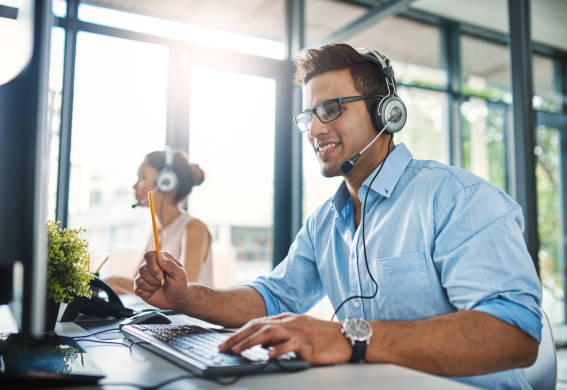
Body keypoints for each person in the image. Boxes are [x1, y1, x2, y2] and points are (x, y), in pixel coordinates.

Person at [134, 44, 542, 389]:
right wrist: (187, 298)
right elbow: (272, 298)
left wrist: (349, 337)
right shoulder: (325, 222)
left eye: (330, 109)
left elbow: (514, 334)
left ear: (386, 114)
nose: (314, 130)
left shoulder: (457, 198)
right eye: (309, 115)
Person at [105, 149, 212, 294]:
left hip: (187, 317)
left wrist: (115, 281)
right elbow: (138, 285)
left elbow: (185, 290)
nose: (135, 186)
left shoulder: (193, 228)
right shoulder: (159, 231)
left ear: (165, 182)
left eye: (142, 178)